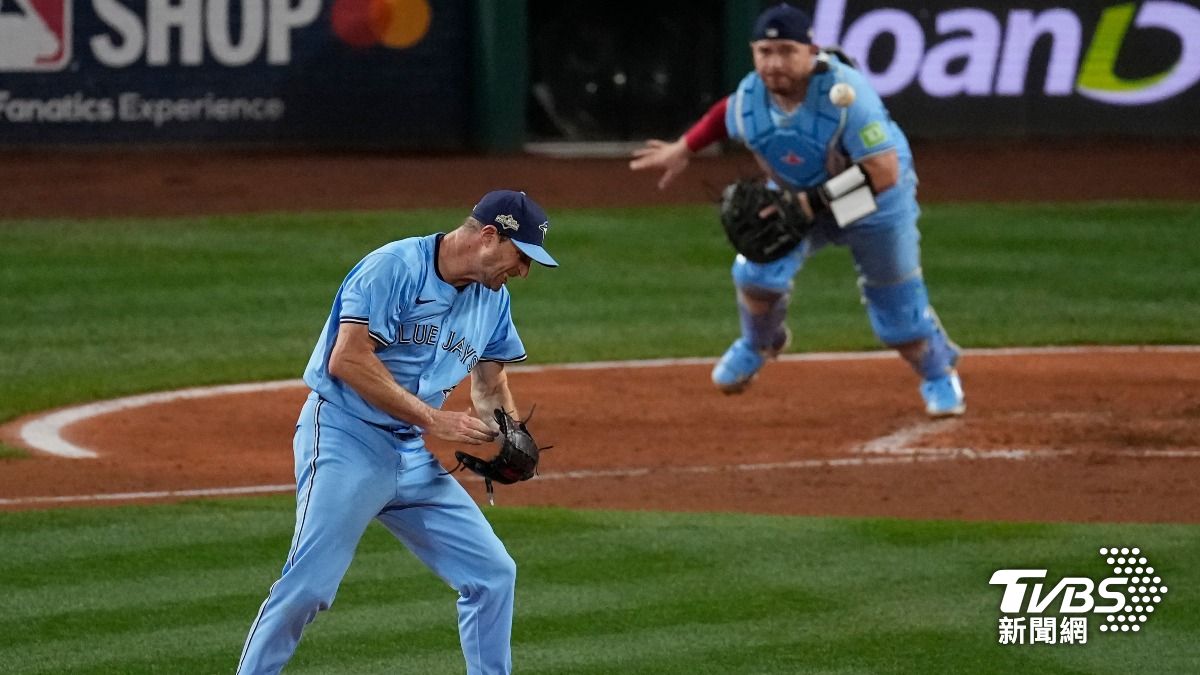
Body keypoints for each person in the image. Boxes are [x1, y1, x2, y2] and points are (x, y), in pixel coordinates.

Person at [237, 190, 559, 674]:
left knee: (493, 574)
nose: (524, 271)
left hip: (409, 454)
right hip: (346, 437)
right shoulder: (395, 268)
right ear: (490, 236)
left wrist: (510, 433)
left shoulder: (493, 300)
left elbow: (490, 384)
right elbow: (347, 359)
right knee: (308, 587)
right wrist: (433, 419)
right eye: (522, 256)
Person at [629, 3, 965, 417]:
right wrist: (684, 148)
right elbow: (725, 116)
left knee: (898, 314)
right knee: (755, 273)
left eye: (787, 51)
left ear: (811, 51)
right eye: (765, 52)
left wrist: (807, 204)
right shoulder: (752, 97)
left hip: (874, 200)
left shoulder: (847, 96)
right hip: (798, 194)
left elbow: (884, 171)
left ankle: (939, 374)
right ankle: (760, 342)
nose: (774, 63)